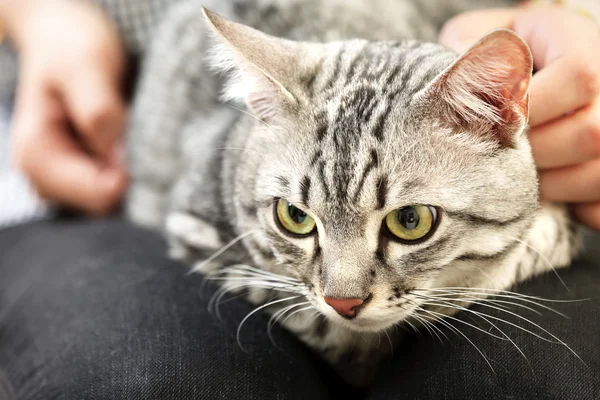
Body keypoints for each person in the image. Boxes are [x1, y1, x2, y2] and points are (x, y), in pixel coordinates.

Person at [0, 0, 598, 399]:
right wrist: (39, 15)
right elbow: (192, 219)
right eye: (295, 216)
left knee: (526, 379)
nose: (343, 292)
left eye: (409, 222)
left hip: (461, 48)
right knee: (143, 375)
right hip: (92, 132)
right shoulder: (261, 147)